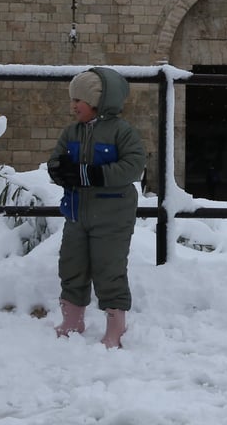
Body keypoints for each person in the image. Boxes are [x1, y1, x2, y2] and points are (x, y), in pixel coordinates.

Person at [46, 67, 147, 348]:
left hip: (112, 216)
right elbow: (55, 161)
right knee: (71, 264)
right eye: (73, 100)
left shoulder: (121, 132)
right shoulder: (71, 133)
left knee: (109, 268)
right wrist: (60, 172)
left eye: (79, 100)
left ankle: (116, 325)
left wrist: (94, 174)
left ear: (98, 102)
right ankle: (72, 319)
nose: (73, 106)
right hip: (77, 213)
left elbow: (133, 165)